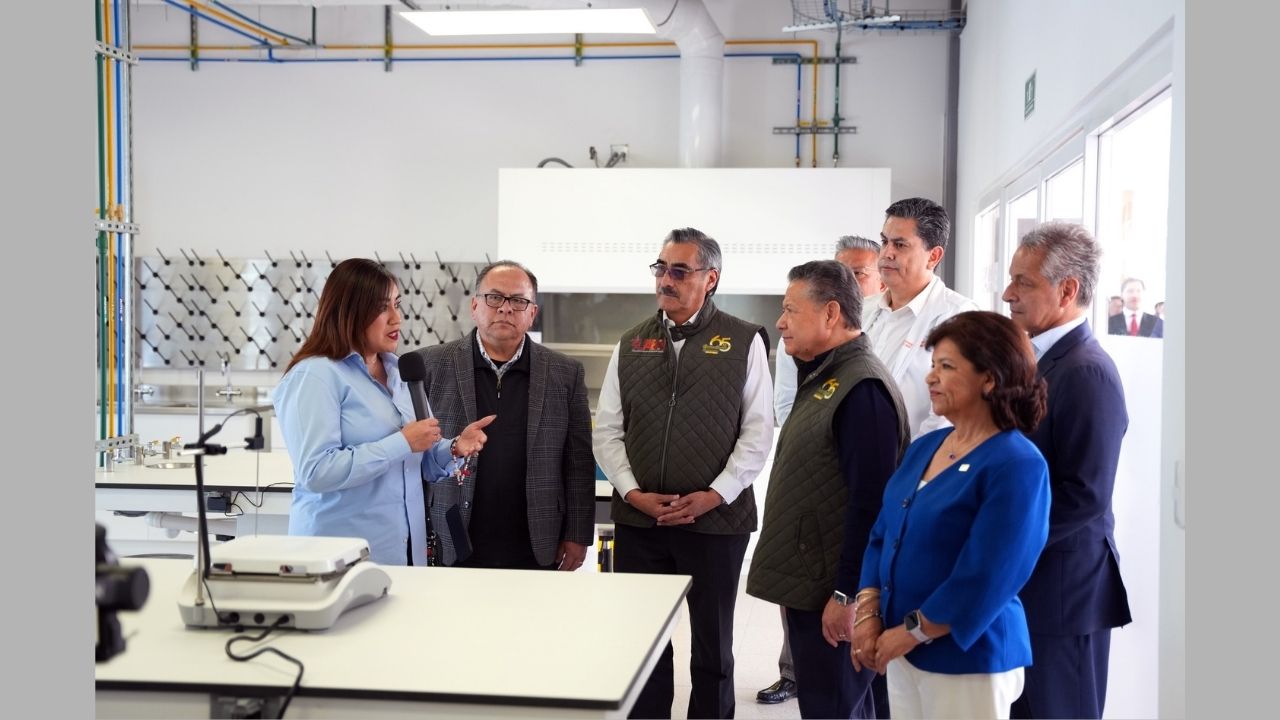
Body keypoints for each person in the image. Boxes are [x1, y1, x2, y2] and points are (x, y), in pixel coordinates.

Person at [593, 227, 774, 719]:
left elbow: (758, 431)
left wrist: (715, 495)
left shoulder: (744, 341)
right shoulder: (631, 343)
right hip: (641, 522)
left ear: (710, 278)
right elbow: (607, 431)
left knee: (713, 650)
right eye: (661, 268)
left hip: (716, 523)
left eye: (679, 270)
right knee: (645, 644)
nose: (665, 280)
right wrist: (632, 493)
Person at [850, 311, 1051, 720]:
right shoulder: (926, 447)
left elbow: (989, 574)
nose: (931, 377)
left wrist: (913, 632)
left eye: (946, 366)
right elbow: (882, 533)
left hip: (969, 657)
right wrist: (868, 615)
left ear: (989, 379)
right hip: (902, 649)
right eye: (932, 365)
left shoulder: (1017, 463)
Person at [748, 261, 909, 719]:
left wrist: (847, 596)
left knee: (834, 708)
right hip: (812, 585)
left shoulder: (863, 390)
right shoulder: (827, 375)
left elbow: (871, 506)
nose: (780, 322)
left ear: (831, 313)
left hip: (832, 597)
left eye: (790, 310)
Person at [272, 258, 494, 566]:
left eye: (397, 304)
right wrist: (402, 442)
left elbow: (418, 461)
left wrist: (454, 447)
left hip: (403, 554)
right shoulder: (315, 376)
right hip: (337, 559)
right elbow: (316, 472)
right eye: (381, 308)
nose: (396, 318)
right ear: (350, 312)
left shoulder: (401, 373)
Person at [1001, 223, 1132, 719]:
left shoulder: (1086, 371)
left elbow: (1085, 494)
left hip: (1064, 595)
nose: (1008, 293)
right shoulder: (1040, 359)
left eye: (1023, 282)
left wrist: (1002, 544)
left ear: (1067, 290)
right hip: (1033, 589)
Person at [407, 260, 595, 571]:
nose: (505, 308)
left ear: (532, 313)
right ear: (474, 306)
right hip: (453, 535)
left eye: (518, 301)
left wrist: (577, 533)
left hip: (538, 539)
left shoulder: (565, 373)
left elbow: (579, 462)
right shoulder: (429, 366)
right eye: (495, 297)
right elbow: (414, 458)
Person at [862, 198, 978, 439]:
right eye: (884, 242)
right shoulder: (863, 309)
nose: (887, 253)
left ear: (933, 256)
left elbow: (949, 411)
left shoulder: (959, 316)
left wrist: (914, 458)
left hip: (915, 455)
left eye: (900, 245)